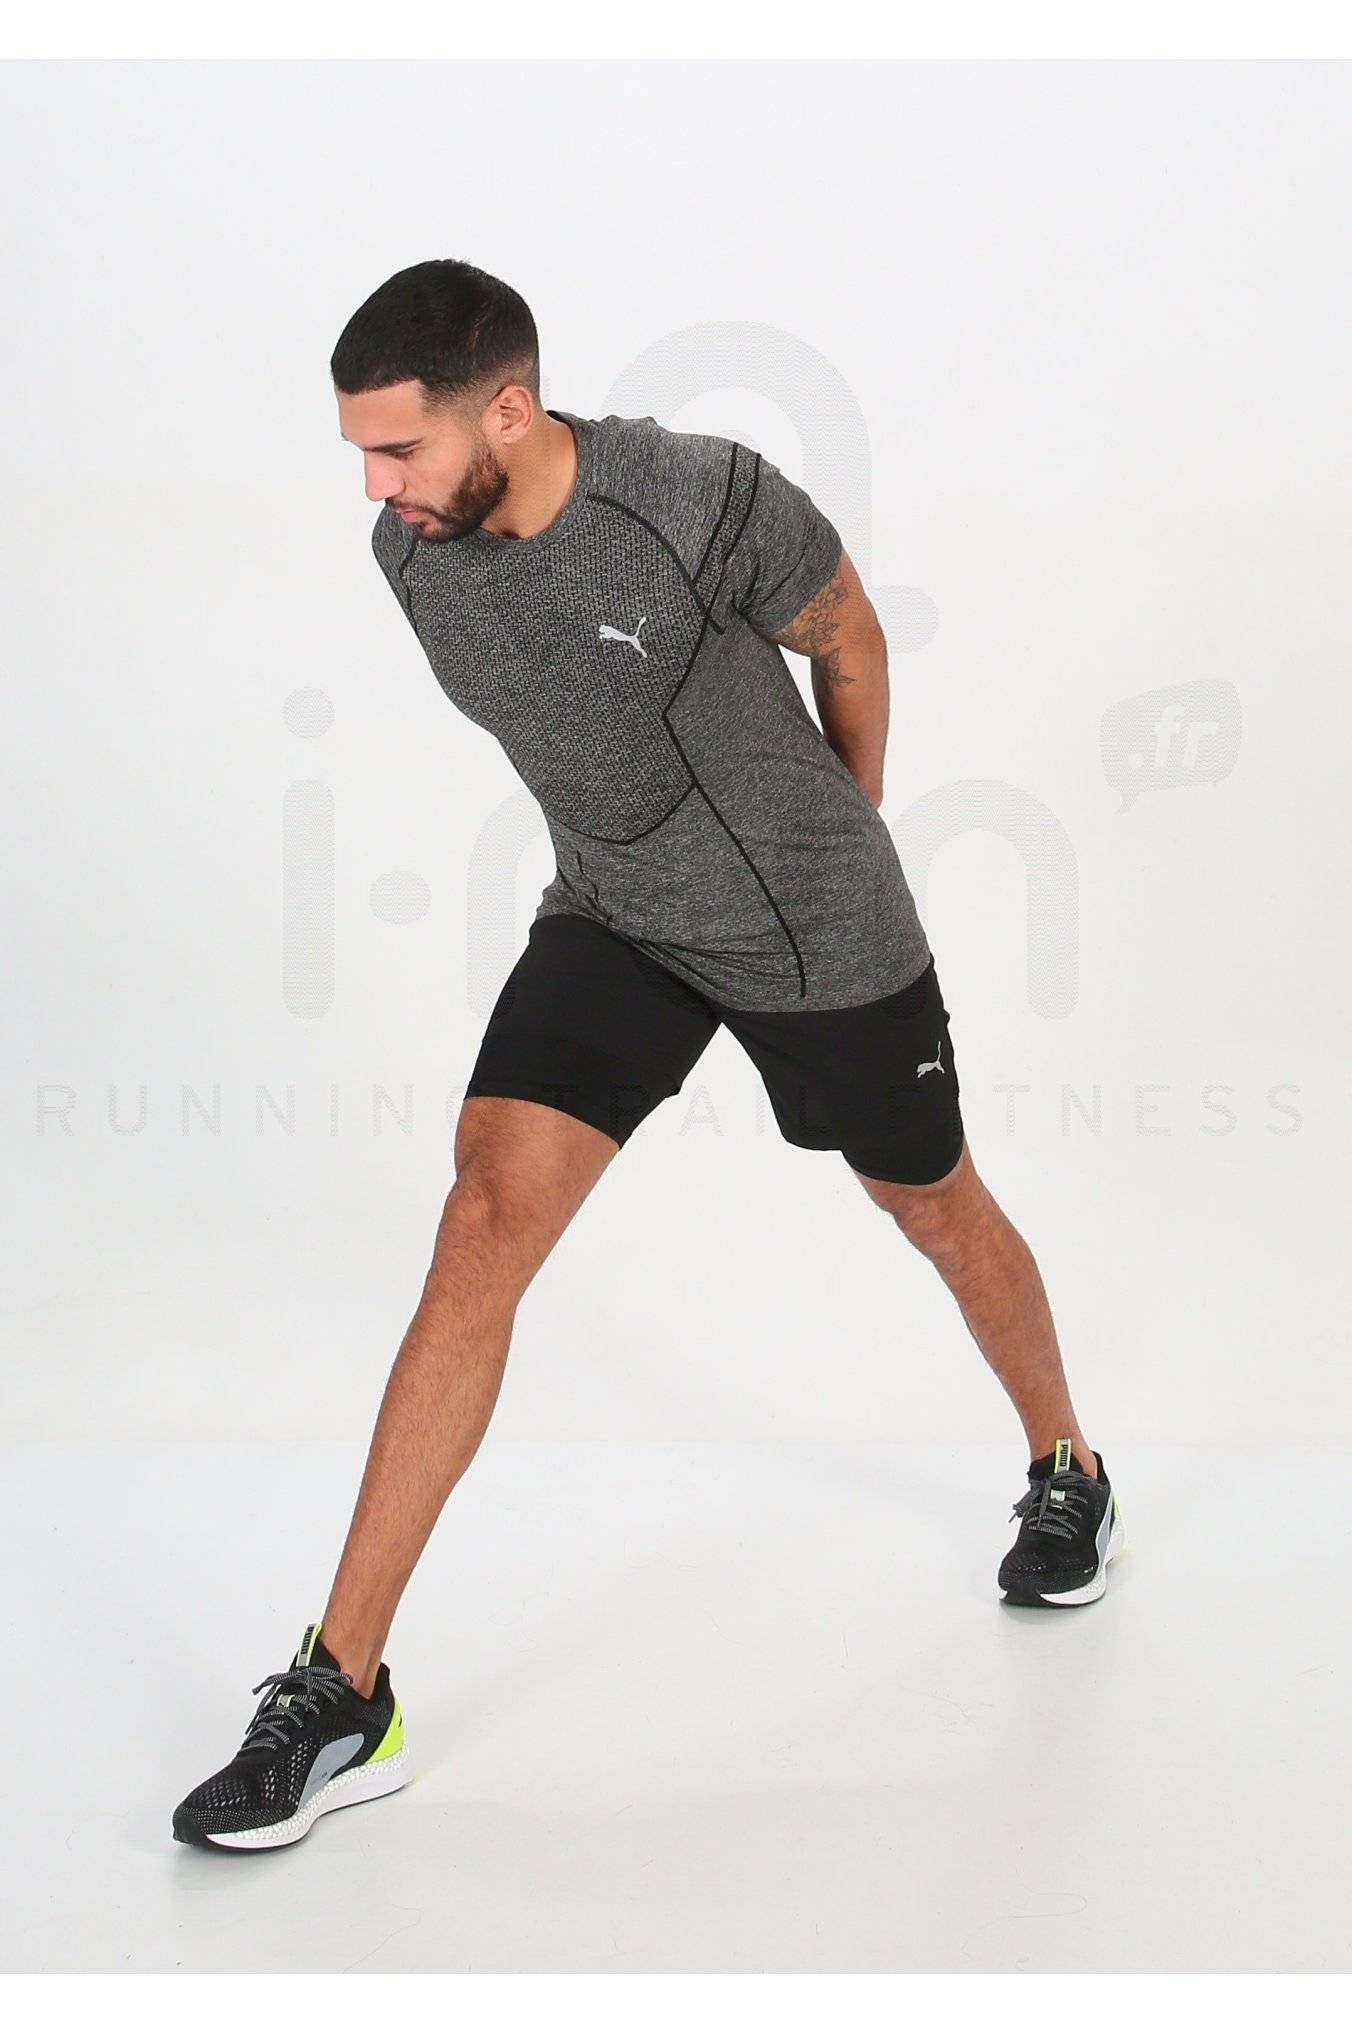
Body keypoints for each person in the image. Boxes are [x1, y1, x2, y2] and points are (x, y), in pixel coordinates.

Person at [172, 259, 1123, 1852]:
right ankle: (342, 1692)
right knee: (481, 1220)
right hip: (615, 915)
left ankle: (1069, 1464)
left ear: (509, 412)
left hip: (811, 924)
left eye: (398, 448)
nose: (373, 490)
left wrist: (840, 829)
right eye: (359, 452)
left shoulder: (694, 499)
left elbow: (852, 636)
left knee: (936, 1208)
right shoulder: (413, 553)